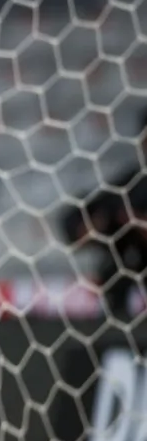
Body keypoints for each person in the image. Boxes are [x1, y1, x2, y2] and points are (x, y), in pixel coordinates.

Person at [59, 109, 147, 318]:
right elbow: (79, 222)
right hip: (129, 291)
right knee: (116, 268)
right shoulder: (132, 185)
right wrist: (98, 226)